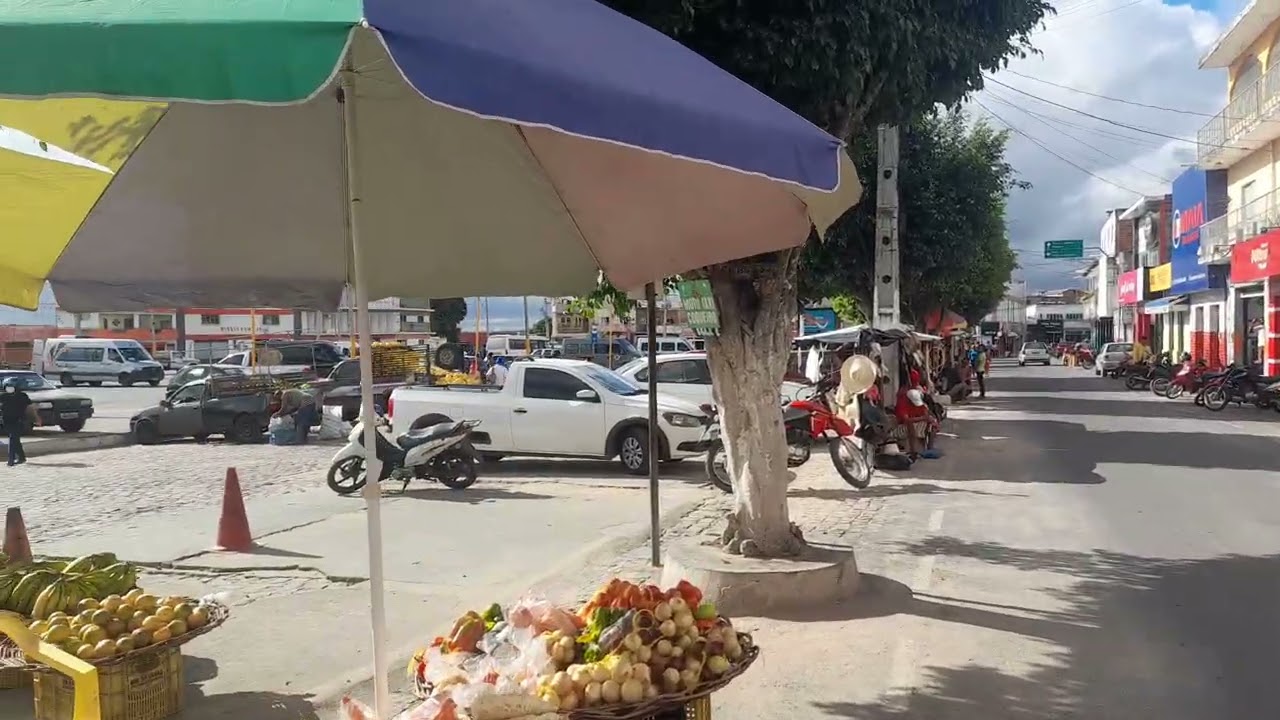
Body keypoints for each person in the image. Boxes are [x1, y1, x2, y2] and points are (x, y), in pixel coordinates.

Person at [1, 378, 33, 466]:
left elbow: (30, 408)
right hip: (7, 421)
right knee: (15, 440)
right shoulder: (3, 396)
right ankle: (21, 457)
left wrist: (36, 419)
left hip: (19, 420)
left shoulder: (23, 396)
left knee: (13, 438)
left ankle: (11, 460)